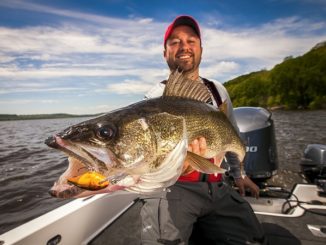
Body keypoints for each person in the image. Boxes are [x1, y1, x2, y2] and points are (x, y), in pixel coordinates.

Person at [140, 15, 266, 245]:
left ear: (200, 49)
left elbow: (231, 136)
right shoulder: (155, 99)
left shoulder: (218, 90)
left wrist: (240, 176)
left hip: (217, 186)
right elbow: (151, 160)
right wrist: (180, 166)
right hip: (175, 190)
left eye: (191, 40)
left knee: (255, 240)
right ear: (165, 52)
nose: (184, 46)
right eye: (175, 42)